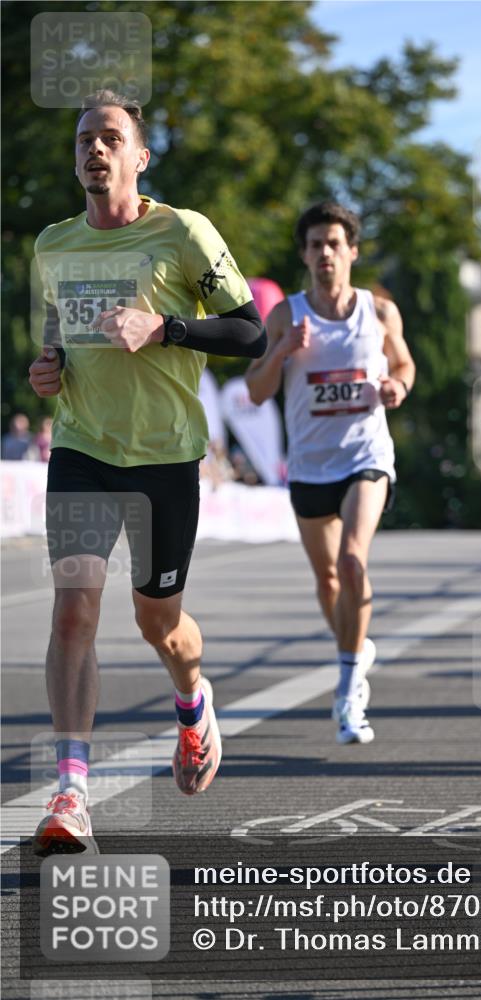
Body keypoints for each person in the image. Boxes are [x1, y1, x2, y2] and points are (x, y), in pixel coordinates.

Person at [28, 89, 265, 855]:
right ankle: (72, 790)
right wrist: (46, 371)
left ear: (139, 154)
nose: (94, 151)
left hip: (164, 456)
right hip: (82, 449)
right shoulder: (53, 246)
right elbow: (54, 340)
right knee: (72, 612)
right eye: (83, 141)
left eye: (109, 138)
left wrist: (166, 327)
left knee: (159, 626)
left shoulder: (182, 232)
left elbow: (251, 334)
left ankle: (193, 703)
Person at [246, 202, 415, 743]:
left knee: (352, 559)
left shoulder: (379, 312)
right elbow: (254, 390)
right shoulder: (286, 317)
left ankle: (347, 694)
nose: (325, 254)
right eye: (315, 244)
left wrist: (398, 388)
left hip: (366, 456)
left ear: (352, 252)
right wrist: (282, 354)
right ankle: (354, 647)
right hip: (311, 467)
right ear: (304, 254)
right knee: (328, 581)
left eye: (334, 244)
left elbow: (405, 364)